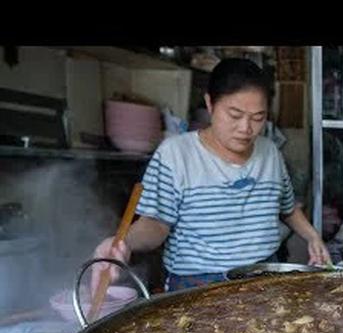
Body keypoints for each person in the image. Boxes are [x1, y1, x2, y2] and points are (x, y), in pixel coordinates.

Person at [91, 58, 330, 292]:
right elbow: (156, 223)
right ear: (210, 103)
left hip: (264, 278)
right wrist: (123, 243)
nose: (246, 128)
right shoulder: (176, 153)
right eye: (234, 115)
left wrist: (312, 236)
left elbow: (287, 208)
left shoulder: (270, 153)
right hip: (197, 286)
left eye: (258, 118)